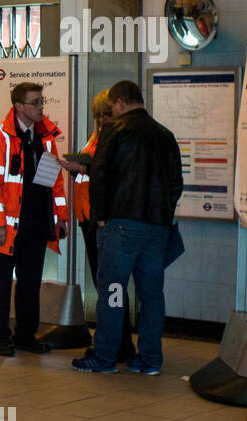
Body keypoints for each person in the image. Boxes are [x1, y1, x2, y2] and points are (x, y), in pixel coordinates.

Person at [72, 79, 183, 375]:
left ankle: (105, 357)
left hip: (120, 226)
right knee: (151, 295)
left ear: (119, 103)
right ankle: (150, 359)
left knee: (113, 291)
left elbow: (101, 177)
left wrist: (101, 216)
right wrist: (163, 214)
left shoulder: (115, 130)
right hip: (156, 228)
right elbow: (176, 184)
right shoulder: (165, 135)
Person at [0, 81, 70, 357]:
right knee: (0, 284)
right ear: (19, 106)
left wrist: (60, 218)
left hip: (37, 223)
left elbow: (55, 182)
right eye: (35, 102)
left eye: (42, 102)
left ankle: (26, 335)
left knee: (30, 283)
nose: (41, 107)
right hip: (6, 227)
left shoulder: (46, 138)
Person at [69, 91, 136, 363]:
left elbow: (111, 174)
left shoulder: (117, 137)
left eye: (104, 114)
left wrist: (84, 169)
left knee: (112, 285)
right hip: (88, 217)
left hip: (104, 220)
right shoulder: (97, 136)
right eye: (97, 115)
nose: (100, 119)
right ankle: (116, 342)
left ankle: (118, 344)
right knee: (104, 283)